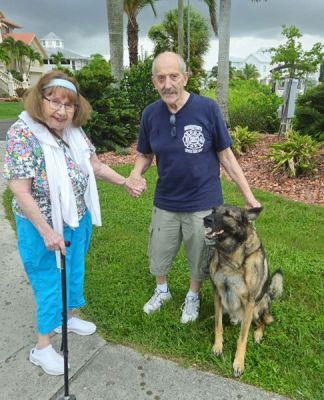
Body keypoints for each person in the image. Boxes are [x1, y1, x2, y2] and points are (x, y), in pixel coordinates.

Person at [3, 70, 142, 376]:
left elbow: (95, 165)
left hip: (75, 218)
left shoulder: (73, 132)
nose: (61, 110)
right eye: (54, 101)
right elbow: (19, 188)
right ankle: (42, 347)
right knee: (48, 279)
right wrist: (46, 230)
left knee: (74, 269)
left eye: (69, 104)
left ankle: (69, 316)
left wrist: (125, 183)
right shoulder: (23, 133)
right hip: (41, 224)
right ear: (40, 100)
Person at [128, 51, 261, 324]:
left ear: (185, 78)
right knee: (158, 250)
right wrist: (135, 173)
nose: (168, 84)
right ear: (154, 82)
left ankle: (192, 295)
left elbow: (226, 156)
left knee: (200, 254)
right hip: (165, 200)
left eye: (174, 76)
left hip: (203, 201)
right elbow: (145, 153)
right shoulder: (150, 114)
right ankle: (162, 290)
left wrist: (248, 195)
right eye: (161, 78)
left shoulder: (207, 109)